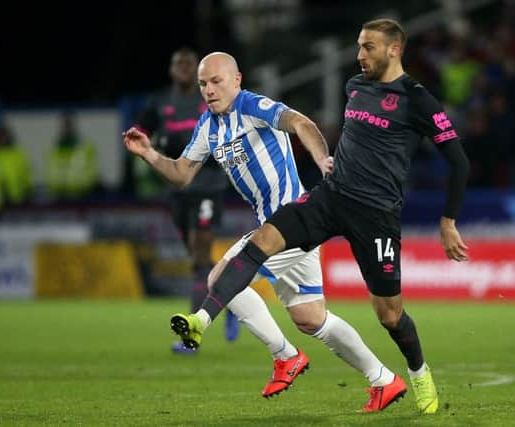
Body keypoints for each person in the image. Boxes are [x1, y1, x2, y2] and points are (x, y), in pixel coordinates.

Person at [169, 19, 471, 415]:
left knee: (389, 315)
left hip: (376, 215)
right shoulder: (355, 87)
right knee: (262, 239)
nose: (360, 55)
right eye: (359, 46)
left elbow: (459, 162)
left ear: (395, 49)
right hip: (330, 198)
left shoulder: (417, 99)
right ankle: (204, 321)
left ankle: (417, 372)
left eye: (369, 48)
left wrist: (447, 221)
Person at [124, 52, 408, 411]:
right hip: (275, 229)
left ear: (237, 79)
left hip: (295, 220)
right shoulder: (208, 127)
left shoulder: (253, 105)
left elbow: (301, 122)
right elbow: (182, 173)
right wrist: (148, 154)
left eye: (216, 81)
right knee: (310, 317)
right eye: (202, 84)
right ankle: (383, 379)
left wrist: (322, 160)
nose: (209, 90)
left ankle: (284, 355)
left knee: (220, 277)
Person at [134, 47, 239, 353]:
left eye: (188, 64)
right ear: (170, 69)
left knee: (199, 258)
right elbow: (141, 132)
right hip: (177, 190)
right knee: (198, 260)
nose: (183, 67)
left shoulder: (209, 99)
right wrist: (142, 144)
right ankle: (231, 299)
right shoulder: (160, 102)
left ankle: (192, 333)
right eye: (177, 62)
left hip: (208, 186)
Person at [46, 113, 97, 200]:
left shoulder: (86, 149)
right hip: (59, 198)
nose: (67, 129)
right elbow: (50, 176)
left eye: (69, 125)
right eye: (65, 126)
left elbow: (91, 175)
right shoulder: (54, 150)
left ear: (74, 127)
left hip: (82, 197)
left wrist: (78, 186)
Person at [0, 123, 32, 206]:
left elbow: (27, 173)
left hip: (18, 198)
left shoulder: (18, 154)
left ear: (9, 136)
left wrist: (28, 190)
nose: (2, 139)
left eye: (4, 136)